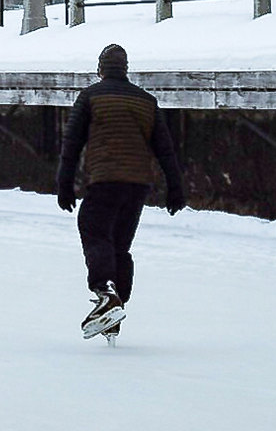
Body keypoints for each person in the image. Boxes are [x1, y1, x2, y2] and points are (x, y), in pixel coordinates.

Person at [56, 43, 186, 345]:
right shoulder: (146, 101)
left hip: (105, 178)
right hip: (138, 184)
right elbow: (165, 150)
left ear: (100, 69)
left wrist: (64, 183)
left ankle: (105, 291)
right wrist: (175, 188)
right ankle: (114, 314)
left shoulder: (90, 97)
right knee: (119, 247)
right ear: (125, 69)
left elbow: (71, 143)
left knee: (93, 229)